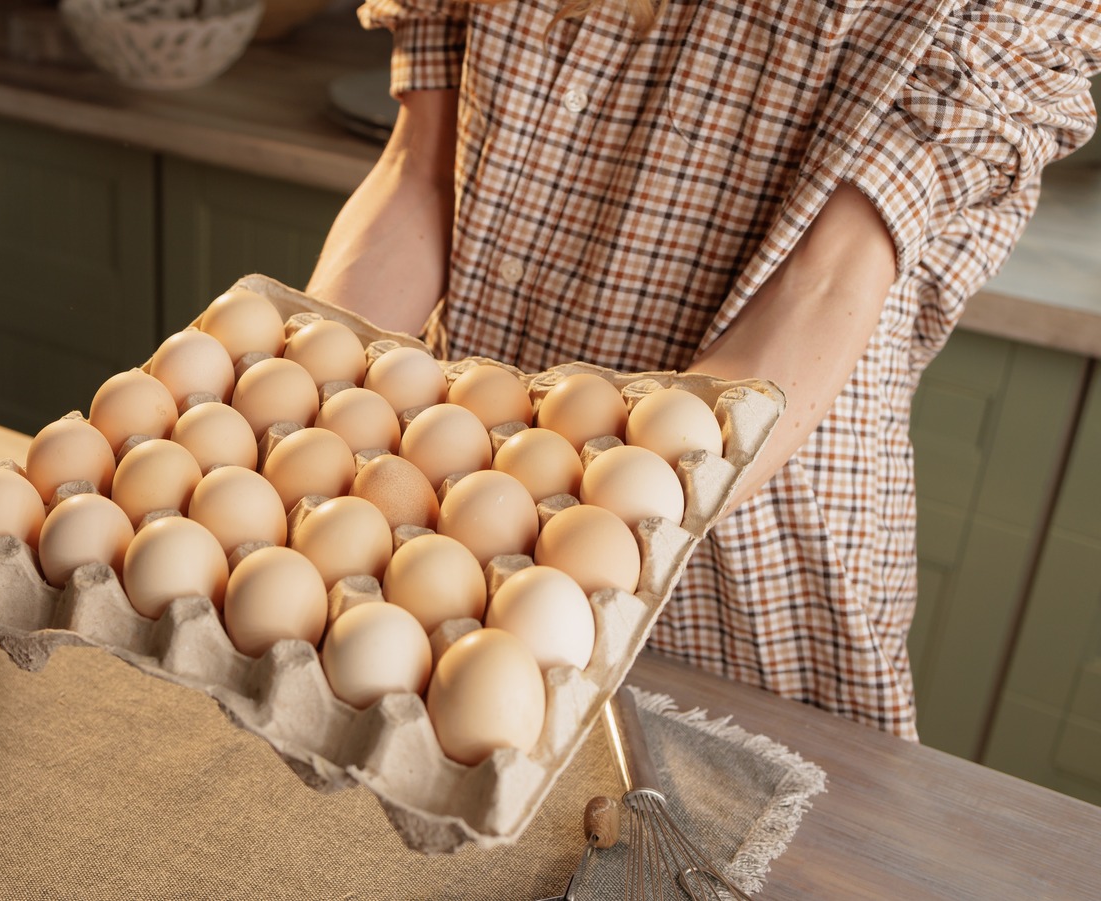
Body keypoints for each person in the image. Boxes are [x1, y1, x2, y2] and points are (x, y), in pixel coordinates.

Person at [307, 0, 1100, 739]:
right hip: (444, 478)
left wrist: (568, 548)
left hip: (747, 535)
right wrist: (312, 413)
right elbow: (420, 171)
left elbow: (829, 277)